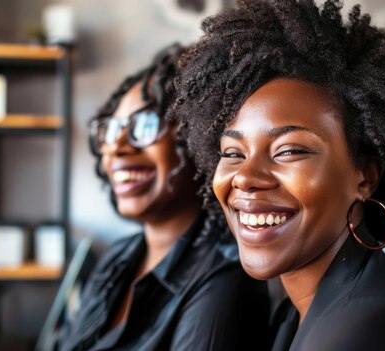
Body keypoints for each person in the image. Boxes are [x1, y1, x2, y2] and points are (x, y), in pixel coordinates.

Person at [169, 1, 385, 350]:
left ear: (364, 177)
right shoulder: (302, 307)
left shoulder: (372, 327)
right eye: (232, 153)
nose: (244, 177)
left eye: (288, 150)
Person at [57, 43, 270, 351]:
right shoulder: (119, 258)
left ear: (199, 139)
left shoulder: (222, 281)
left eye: (145, 126)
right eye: (113, 129)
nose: (117, 147)